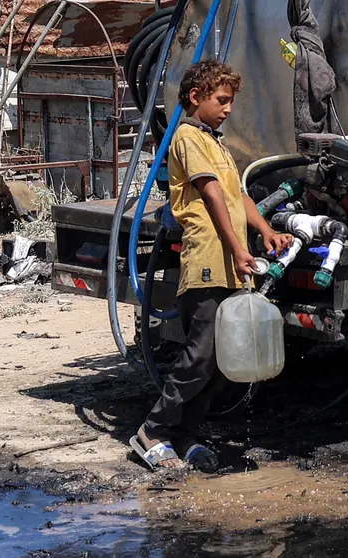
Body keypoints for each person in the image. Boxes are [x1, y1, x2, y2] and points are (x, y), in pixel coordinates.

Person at [131, 60, 293, 471]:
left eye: (230, 101)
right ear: (195, 97)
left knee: (223, 360)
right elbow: (212, 195)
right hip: (207, 260)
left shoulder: (215, 143)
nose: (228, 109)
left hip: (230, 265)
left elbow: (238, 196)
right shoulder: (187, 137)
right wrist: (238, 248)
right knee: (201, 355)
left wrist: (266, 231)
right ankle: (152, 431)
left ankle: (186, 436)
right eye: (221, 100)